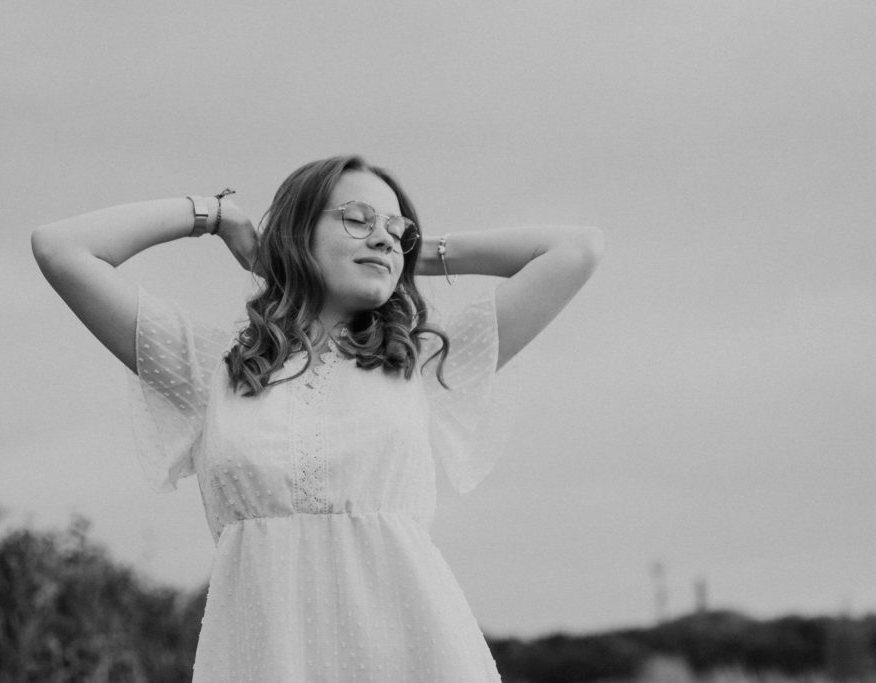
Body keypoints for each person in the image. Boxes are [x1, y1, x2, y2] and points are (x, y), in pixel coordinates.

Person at [30, 155, 604, 682]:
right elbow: (61, 249)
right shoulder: (210, 369)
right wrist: (216, 217)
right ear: (295, 236)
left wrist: (416, 255)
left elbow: (575, 250)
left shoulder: (423, 361)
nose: (383, 236)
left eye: (396, 229)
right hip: (260, 661)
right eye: (357, 218)